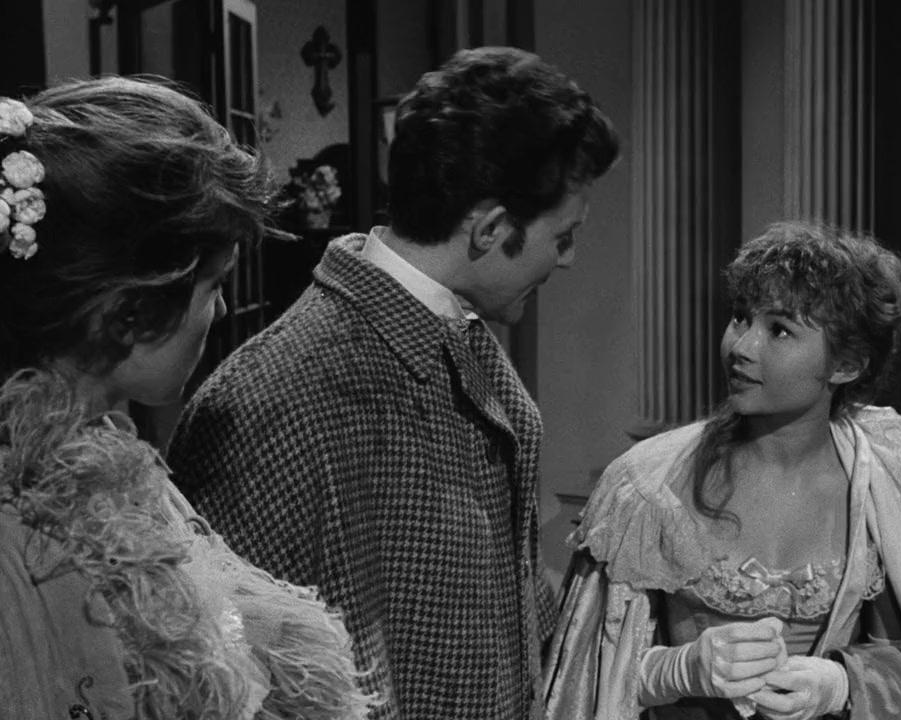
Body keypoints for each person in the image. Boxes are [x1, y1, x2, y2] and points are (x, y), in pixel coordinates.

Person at [167, 46, 620, 720]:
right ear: (492, 228)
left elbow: (516, 615)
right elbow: (228, 681)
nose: (571, 259)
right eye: (562, 237)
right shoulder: (277, 400)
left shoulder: (465, 344)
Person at [0, 77, 372, 720]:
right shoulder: (24, 546)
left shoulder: (111, 460)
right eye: (214, 285)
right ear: (130, 313)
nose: (222, 311)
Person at [543, 221, 901, 719]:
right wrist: (674, 671)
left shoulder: (883, 490)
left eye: (779, 330)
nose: (741, 347)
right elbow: (584, 670)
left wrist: (842, 683)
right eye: (740, 318)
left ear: (846, 365)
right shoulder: (647, 485)